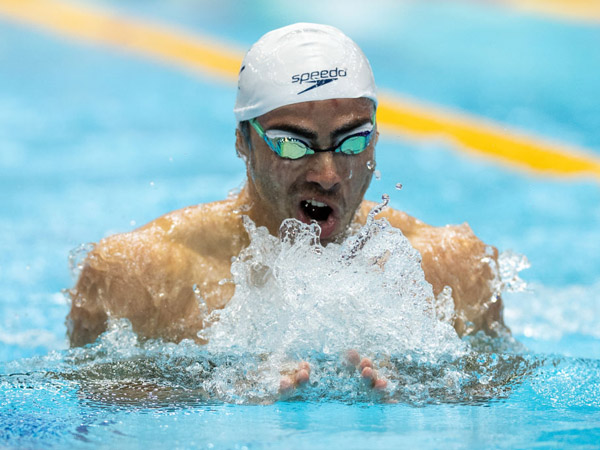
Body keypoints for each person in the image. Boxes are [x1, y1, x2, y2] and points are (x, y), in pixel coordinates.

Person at [66, 23, 506, 391]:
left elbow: (500, 395)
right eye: (292, 145)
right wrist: (221, 394)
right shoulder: (142, 275)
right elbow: (86, 412)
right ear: (243, 140)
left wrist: (424, 390)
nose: (329, 174)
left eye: (352, 141)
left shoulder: (454, 268)